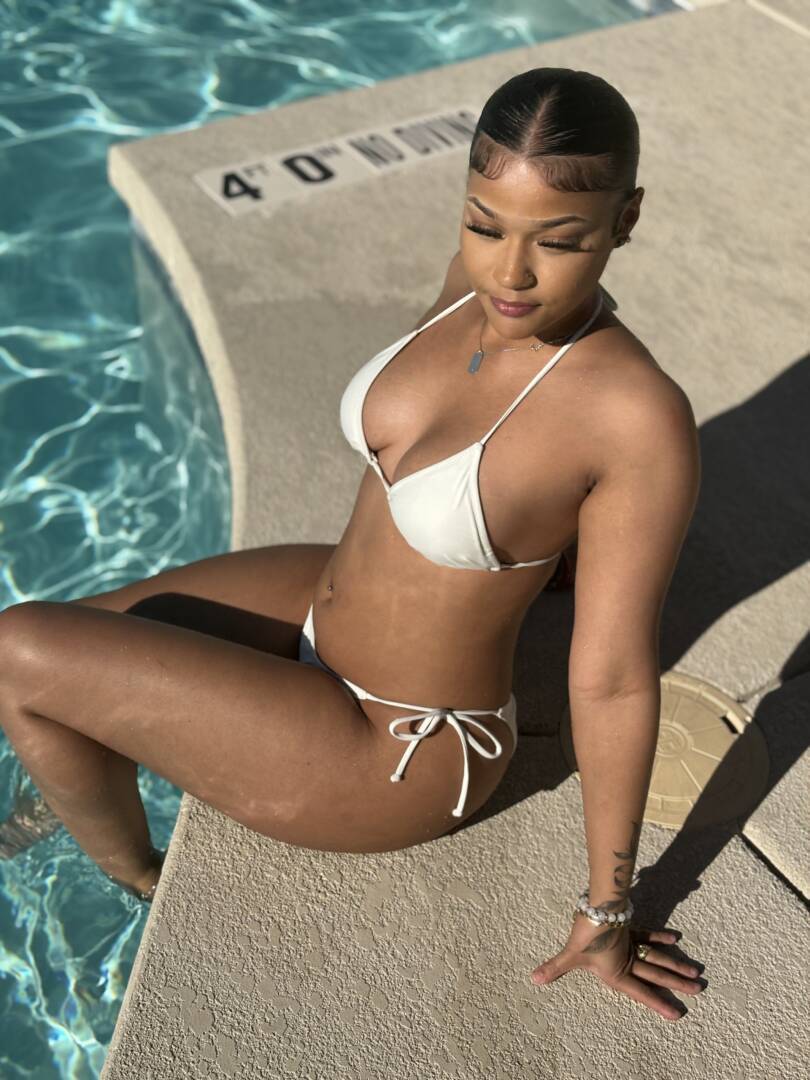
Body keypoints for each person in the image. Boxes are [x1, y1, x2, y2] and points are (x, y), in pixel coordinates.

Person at [0, 67, 704, 1020]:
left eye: (560, 241)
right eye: (485, 223)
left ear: (626, 220)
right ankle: (71, 783)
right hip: (320, 602)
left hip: (394, 745)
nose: (510, 273)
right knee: (76, 640)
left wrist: (608, 908)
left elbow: (613, 680)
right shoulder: (472, 288)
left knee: (21, 647)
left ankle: (142, 880)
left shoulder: (633, 415)